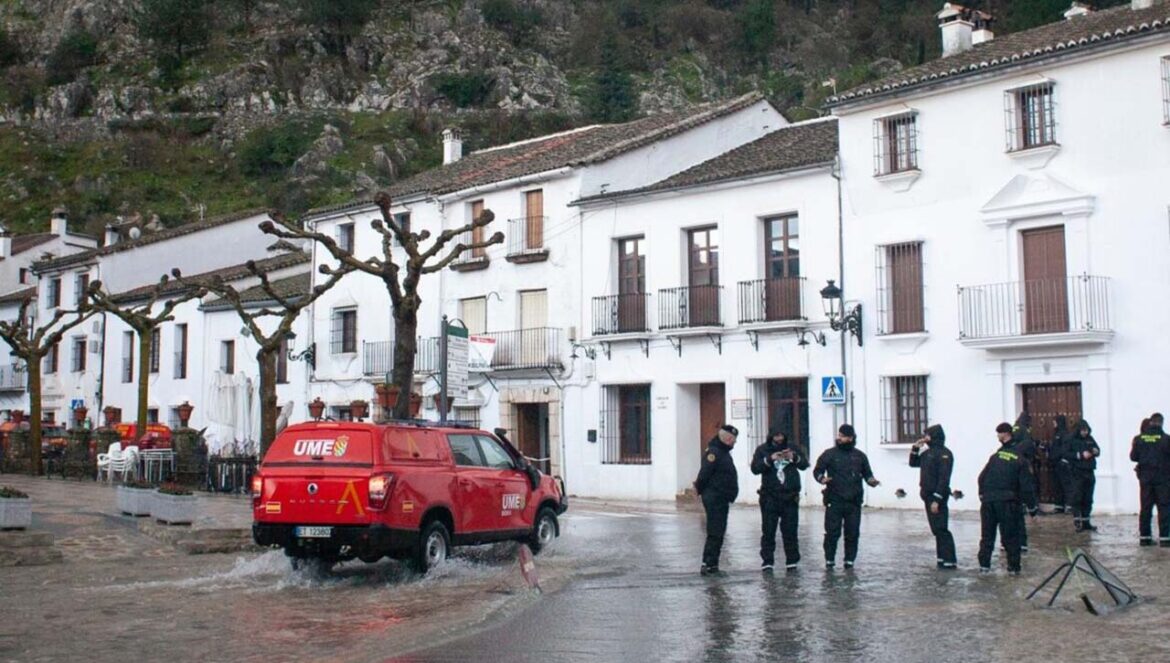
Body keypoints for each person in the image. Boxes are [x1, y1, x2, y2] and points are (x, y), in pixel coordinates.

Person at [813, 424, 879, 570]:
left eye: (842, 436)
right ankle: (829, 559)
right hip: (834, 500)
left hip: (853, 501)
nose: (839, 438)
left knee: (853, 532)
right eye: (839, 435)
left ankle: (849, 560)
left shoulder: (859, 456)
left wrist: (872, 481)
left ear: (850, 438)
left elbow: (867, 474)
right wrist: (821, 478)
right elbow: (817, 470)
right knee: (832, 532)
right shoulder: (829, 454)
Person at [978, 423, 1038, 575]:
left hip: (988, 502)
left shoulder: (995, 456)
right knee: (1011, 536)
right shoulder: (1020, 460)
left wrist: (982, 495)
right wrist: (1032, 508)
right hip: (1007, 503)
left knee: (987, 537)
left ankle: (984, 567)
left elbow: (981, 478)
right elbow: (1027, 487)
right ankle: (1013, 569)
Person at [750, 427, 809, 572]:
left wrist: (793, 457)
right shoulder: (762, 449)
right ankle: (767, 561)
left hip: (790, 496)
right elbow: (755, 468)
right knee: (768, 530)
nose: (779, 439)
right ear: (771, 436)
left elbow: (804, 465)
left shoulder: (793, 448)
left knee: (790, 531)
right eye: (776, 436)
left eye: (781, 435)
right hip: (769, 496)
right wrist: (770, 459)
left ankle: (792, 561)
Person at [909, 424, 957, 569]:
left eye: (927, 435)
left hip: (938, 496)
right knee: (936, 529)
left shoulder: (945, 454)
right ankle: (941, 557)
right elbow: (914, 463)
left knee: (942, 528)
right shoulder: (927, 453)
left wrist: (937, 498)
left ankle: (949, 559)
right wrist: (915, 448)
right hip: (927, 495)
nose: (925, 438)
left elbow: (944, 478)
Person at [694, 424, 740, 575]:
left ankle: (713, 565)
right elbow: (704, 474)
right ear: (727, 439)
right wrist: (700, 491)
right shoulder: (714, 453)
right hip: (715, 498)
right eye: (733, 440)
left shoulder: (722, 452)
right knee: (714, 532)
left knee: (719, 531)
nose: (735, 443)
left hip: (721, 498)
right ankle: (707, 564)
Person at [1131, 414, 1170, 547]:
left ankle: (1145, 537)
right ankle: (1165, 539)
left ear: (1151, 422)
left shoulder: (1139, 439)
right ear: (1161, 423)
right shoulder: (1166, 439)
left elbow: (1133, 457)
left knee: (1146, 508)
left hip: (1145, 479)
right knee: (1164, 508)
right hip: (1163, 480)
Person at [1063, 419, 1100, 532]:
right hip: (1077, 472)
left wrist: (1095, 451)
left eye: (1086, 430)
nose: (1085, 433)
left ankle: (1086, 521)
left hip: (1089, 471)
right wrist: (1080, 455)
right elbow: (1065, 453)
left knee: (1088, 498)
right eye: (1083, 430)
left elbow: (1098, 449)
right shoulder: (1071, 440)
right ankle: (1077, 520)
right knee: (1077, 497)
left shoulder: (1090, 439)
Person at [1009, 413, 1039, 551]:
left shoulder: (1013, 429)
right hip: (1021, 463)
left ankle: (1007, 542)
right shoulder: (1024, 430)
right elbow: (1028, 446)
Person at [1048, 415, 1071, 514]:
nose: (1053, 424)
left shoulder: (1064, 434)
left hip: (1062, 464)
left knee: (1065, 485)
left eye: (1055, 422)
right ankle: (1059, 506)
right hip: (1055, 464)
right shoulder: (1056, 434)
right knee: (1057, 485)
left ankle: (1069, 505)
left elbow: (1063, 449)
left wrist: (1062, 459)